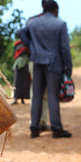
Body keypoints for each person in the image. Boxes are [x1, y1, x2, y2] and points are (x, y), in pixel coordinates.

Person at [19, 0, 73, 138]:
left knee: (36, 96)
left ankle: (34, 128)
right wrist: (68, 67)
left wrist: (32, 47)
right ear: (56, 10)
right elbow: (65, 49)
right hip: (54, 64)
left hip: (37, 61)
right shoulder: (60, 24)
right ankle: (56, 129)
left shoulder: (33, 22)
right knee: (52, 96)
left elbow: (21, 33)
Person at [27, 0, 49, 131]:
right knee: (37, 93)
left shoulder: (33, 20)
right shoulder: (33, 20)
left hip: (44, 62)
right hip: (36, 61)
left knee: (43, 93)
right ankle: (35, 121)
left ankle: (42, 121)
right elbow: (23, 35)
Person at [11, 38, 31, 105]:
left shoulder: (29, 43)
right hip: (18, 64)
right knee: (17, 81)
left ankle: (22, 98)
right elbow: (15, 54)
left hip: (26, 64)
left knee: (25, 81)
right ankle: (15, 98)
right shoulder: (17, 44)